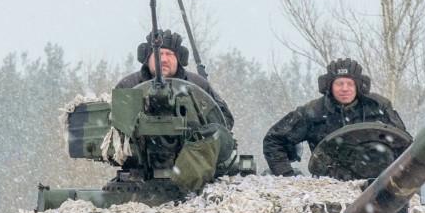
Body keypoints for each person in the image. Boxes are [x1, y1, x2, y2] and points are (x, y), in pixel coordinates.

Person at [263, 57, 407, 176]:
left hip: (377, 185)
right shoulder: (313, 112)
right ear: (329, 86)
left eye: (350, 84)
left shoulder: (378, 107)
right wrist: (287, 175)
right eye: (339, 83)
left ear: (358, 86)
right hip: (328, 186)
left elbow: (403, 144)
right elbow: (274, 140)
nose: (345, 88)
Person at [115, 28, 233, 124]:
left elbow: (225, 119)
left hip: (191, 151)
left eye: (169, 54)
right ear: (147, 59)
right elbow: (112, 124)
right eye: (159, 54)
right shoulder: (128, 86)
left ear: (179, 59)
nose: (164, 59)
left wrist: (204, 129)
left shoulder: (198, 86)